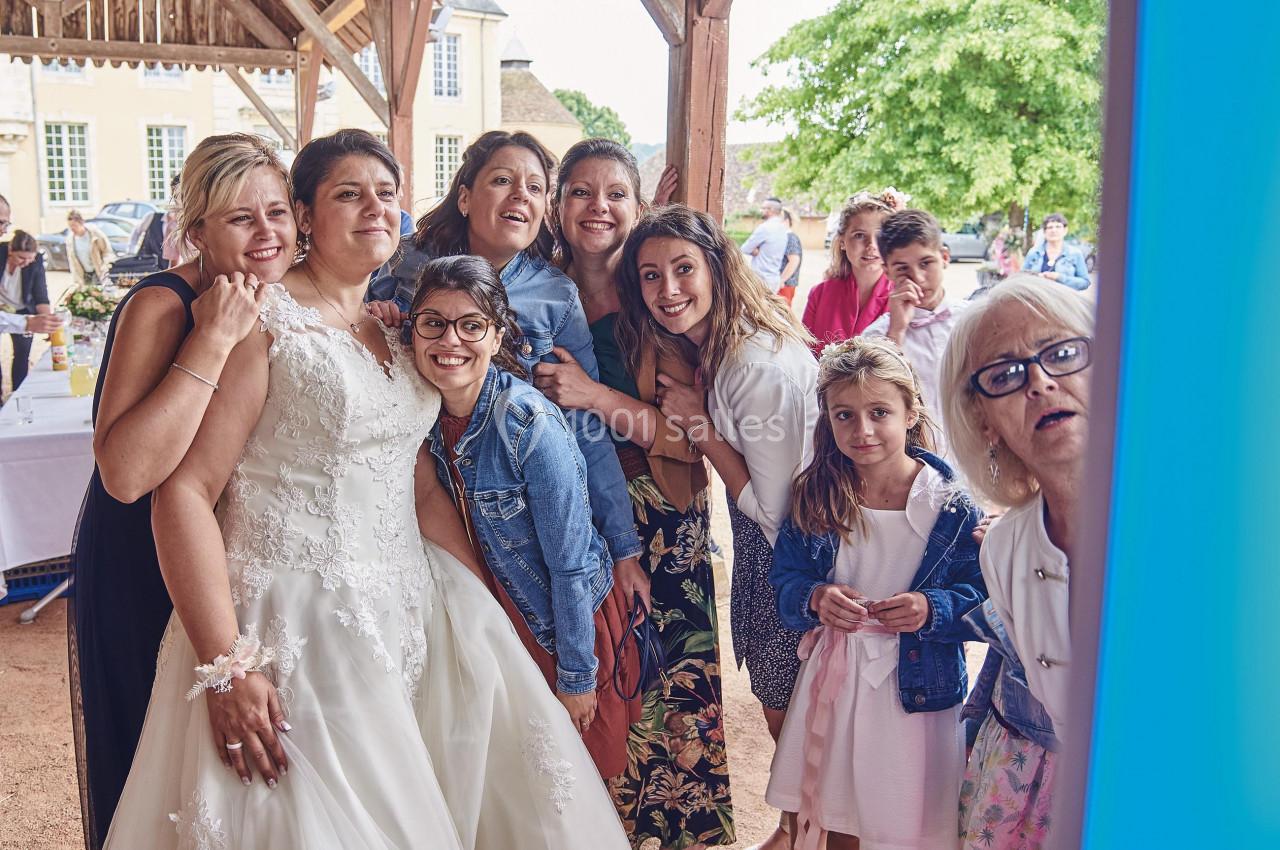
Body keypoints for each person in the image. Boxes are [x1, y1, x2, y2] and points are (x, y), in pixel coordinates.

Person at [104, 129, 628, 850]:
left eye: (386, 194)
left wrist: (483, 606)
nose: (375, 208)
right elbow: (184, 492)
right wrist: (228, 666)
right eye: (349, 194)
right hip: (297, 620)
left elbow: (415, 488)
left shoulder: (394, 325)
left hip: (411, 609)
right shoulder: (261, 323)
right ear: (307, 216)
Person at [71, 133, 295, 850]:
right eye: (240, 219)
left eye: (279, 212)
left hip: (231, 556)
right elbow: (126, 475)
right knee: (153, 762)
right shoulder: (162, 305)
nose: (267, 233)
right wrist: (210, 343)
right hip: (143, 561)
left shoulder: (282, 295)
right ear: (196, 231)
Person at [535, 139, 734, 848]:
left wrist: (593, 395)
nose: (599, 207)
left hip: (662, 511)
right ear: (557, 206)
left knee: (667, 684)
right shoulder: (535, 286)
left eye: (615, 193)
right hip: (565, 510)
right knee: (587, 674)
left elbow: (691, 437)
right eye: (581, 192)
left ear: (637, 204)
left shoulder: (658, 296)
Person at [368, 129, 649, 610]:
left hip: (513, 512)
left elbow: (584, 425)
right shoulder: (402, 263)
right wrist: (377, 320)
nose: (521, 194)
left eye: (536, 187)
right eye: (503, 180)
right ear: (465, 197)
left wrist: (623, 547)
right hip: (408, 494)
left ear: (544, 212)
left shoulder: (556, 295)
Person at [618, 204, 818, 850]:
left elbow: (774, 507)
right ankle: (795, 830)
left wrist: (701, 429)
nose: (668, 290)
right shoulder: (728, 344)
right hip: (773, 552)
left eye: (683, 269)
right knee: (780, 702)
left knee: (791, 710)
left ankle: (805, 833)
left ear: (718, 267)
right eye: (651, 276)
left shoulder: (753, 365)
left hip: (790, 555)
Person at [412, 254, 641, 781]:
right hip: (490, 613)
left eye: (471, 325)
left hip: (558, 618)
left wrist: (578, 674)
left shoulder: (527, 421)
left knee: (576, 773)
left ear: (497, 335)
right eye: (434, 324)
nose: (450, 341)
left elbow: (569, 564)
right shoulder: (420, 410)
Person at [767, 336, 984, 849]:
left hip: (916, 690)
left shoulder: (950, 506)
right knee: (840, 807)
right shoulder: (816, 492)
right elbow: (787, 580)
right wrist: (816, 597)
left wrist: (933, 608)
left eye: (879, 412)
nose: (861, 430)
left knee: (905, 815)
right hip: (837, 679)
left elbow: (981, 598)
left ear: (911, 412)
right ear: (827, 419)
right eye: (844, 415)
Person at [939, 275, 1092, 849]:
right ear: (983, 420)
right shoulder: (1005, 552)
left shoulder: (1200, 522)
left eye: (1062, 352)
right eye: (1005, 374)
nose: (1041, 382)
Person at [863, 209, 972, 456]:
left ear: (944, 257)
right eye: (902, 269)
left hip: (977, 459)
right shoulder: (877, 337)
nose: (919, 278)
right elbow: (874, 402)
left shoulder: (975, 320)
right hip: (917, 462)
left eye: (926, 263)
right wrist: (897, 332)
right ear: (887, 271)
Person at [802, 192, 897, 357]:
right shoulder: (820, 294)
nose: (871, 245)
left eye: (881, 235)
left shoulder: (903, 298)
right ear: (842, 242)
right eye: (859, 235)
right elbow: (803, 356)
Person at [1, 231, 52, 392]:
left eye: (30, 258)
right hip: (1, 311)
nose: (26, 262)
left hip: (24, 311)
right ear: (10, 250)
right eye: (21, 258)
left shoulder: (35, 262)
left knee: (22, 355)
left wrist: (47, 321)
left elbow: (41, 295)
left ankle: (18, 393)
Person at [1021, 213, 1090, 290]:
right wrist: (1037, 278)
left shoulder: (1075, 253)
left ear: (1065, 230)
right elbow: (1021, 277)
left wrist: (1060, 278)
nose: (1054, 230)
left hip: (1065, 299)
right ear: (1044, 232)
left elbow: (1085, 282)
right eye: (1050, 227)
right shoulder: (1034, 253)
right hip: (1038, 299)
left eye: (1058, 227)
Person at [741, 197, 789, 291]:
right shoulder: (783, 229)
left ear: (770, 210)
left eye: (763, 208)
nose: (761, 210)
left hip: (761, 279)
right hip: (774, 279)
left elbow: (745, 248)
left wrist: (755, 250)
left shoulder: (765, 228)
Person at [67, 210, 116, 287]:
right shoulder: (70, 240)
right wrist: (76, 280)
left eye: (74, 225)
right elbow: (72, 262)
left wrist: (106, 266)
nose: (72, 229)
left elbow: (107, 251)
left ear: (82, 223)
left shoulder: (95, 234)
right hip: (84, 275)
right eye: (70, 226)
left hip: (99, 273)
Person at [777, 209, 803, 306]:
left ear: (786, 221)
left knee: (782, 315)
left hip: (785, 285)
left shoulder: (790, 237)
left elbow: (794, 261)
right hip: (784, 284)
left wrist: (781, 280)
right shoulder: (785, 237)